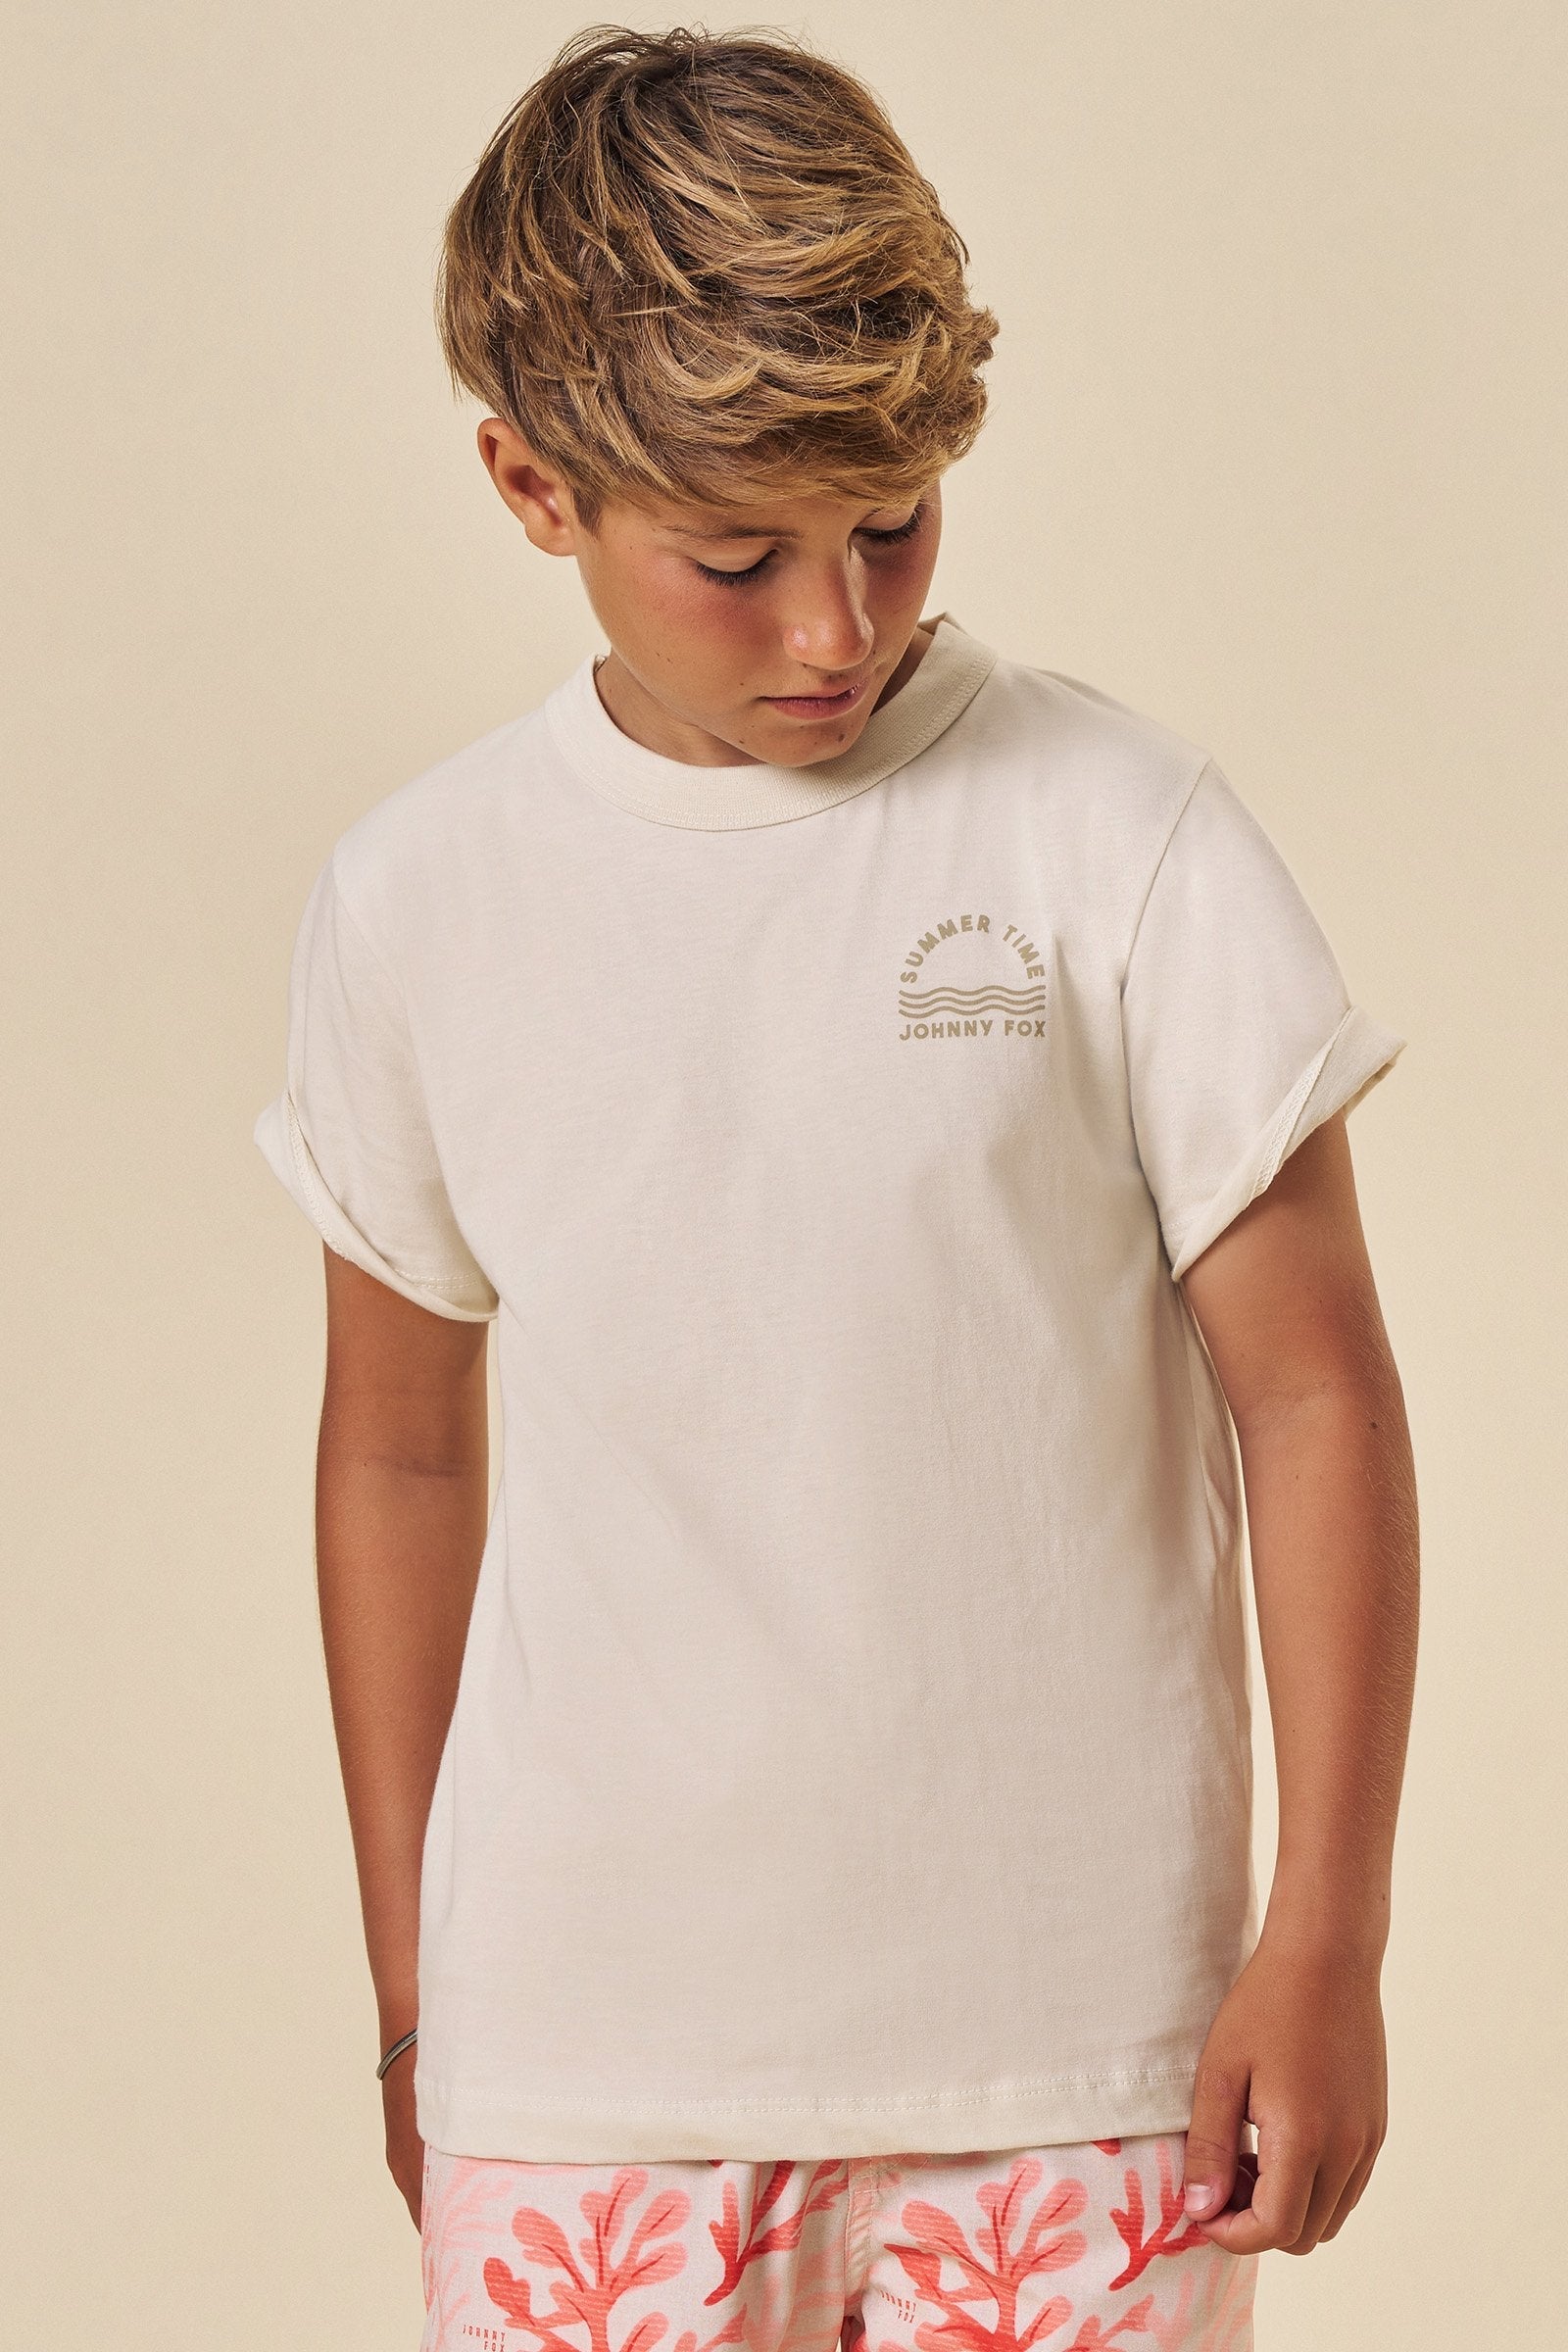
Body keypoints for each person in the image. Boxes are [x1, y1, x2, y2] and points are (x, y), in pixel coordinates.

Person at [253, 25, 1419, 2352]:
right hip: (587, 2072)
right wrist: (413, 1999)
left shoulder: (1118, 837)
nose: (834, 628)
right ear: (530, 485)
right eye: (735, 558)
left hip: (1087, 2071)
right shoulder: (420, 903)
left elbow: (1310, 1397)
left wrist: (1323, 1939)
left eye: (891, 527)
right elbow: (396, 1448)